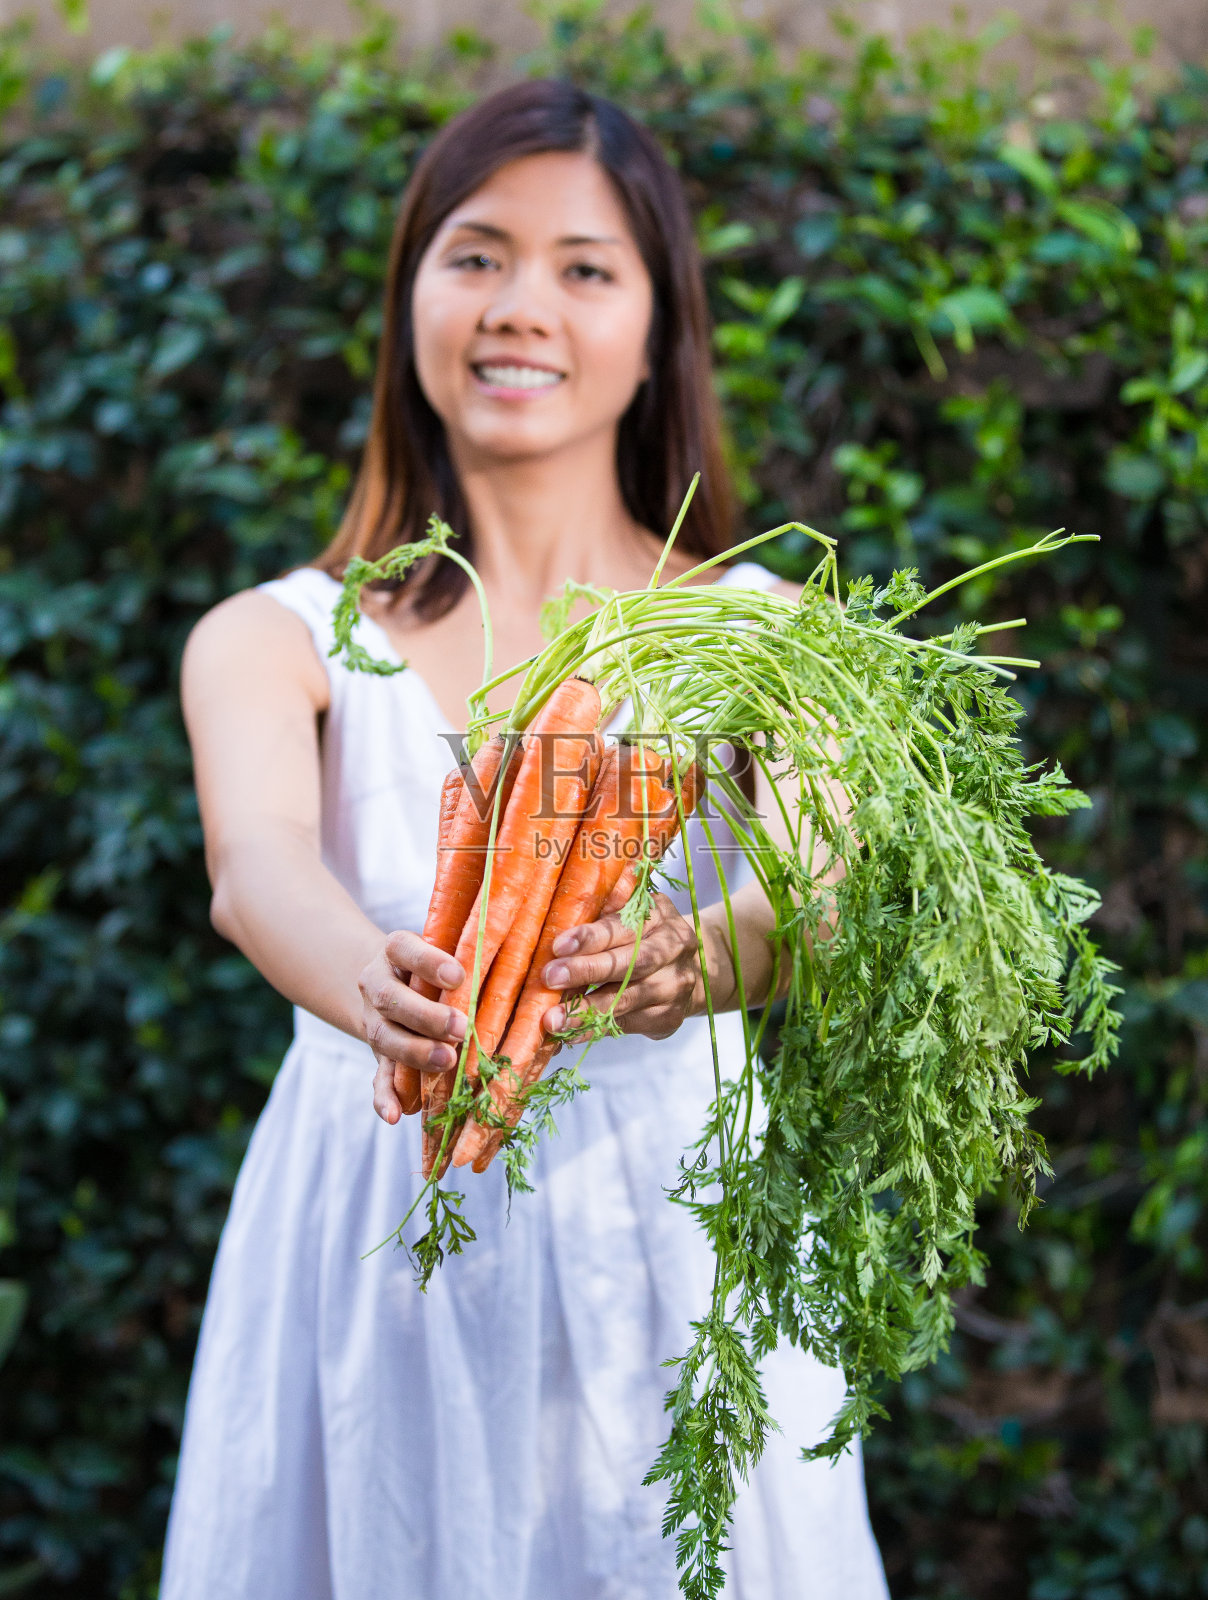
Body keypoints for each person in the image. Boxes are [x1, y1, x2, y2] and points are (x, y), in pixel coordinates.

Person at [163, 79, 888, 1600]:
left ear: (656, 328)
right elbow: (258, 869)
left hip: (673, 1233)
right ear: (412, 296)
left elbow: (806, 897)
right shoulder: (276, 637)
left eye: (584, 267)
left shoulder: (775, 640)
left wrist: (696, 957)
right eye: (476, 254)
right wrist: (385, 984)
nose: (521, 308)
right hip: (377, 1218)